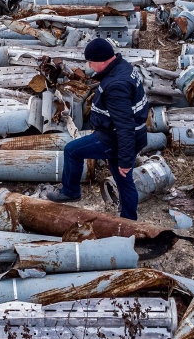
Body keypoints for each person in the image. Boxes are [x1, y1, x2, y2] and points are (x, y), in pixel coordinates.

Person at [46, 38, 149, 220]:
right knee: (124, 181)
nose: (89, 66)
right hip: (128, 136)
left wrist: (125, 159)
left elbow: (125, 126)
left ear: (102, 60)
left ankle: (70, 191)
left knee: (72, 150)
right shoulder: (123, 67)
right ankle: (129, 220)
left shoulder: (116, 86)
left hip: (114, 138)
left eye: (91, 62)